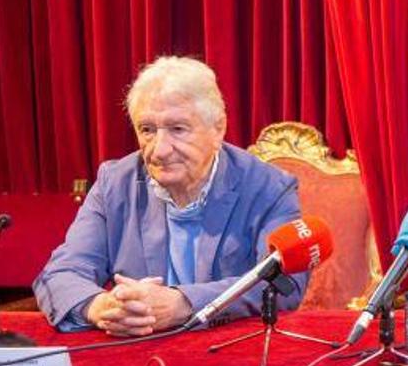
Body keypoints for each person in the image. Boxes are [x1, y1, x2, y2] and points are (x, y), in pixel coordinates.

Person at [33, 56, 303, 335]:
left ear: (218, 129)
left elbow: (283, 283)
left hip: (230, 356)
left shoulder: (268, 188)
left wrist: (183, 304)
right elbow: (60, 274)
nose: (160, 150)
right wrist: (101, 307)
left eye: (178, 129)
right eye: (147, 130)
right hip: (137, 353)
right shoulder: (114, 184)